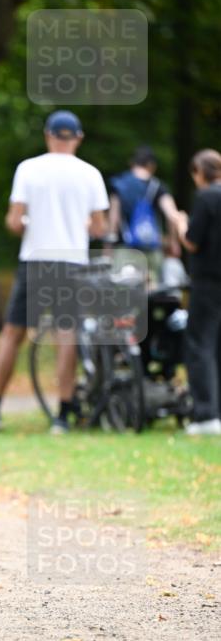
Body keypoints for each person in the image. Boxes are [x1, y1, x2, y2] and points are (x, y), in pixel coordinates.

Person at [0, 110, 109, 435]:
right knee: (67, 335)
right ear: (78, 138)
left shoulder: (28, 169)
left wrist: (29, 226)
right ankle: (62, 415)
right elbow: (99, 226)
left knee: (13, 334)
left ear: (48, 135)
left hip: (35, 260)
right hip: (72, 262)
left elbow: (13, 220)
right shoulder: (90, 173)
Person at [175, 148, 221, 436]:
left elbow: (192, 242)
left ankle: (205, 414)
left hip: (207, 282)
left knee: (200, 345)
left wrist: (180, 224)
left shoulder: (206, 197)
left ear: (199, 173)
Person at [108, 146, 181, 283]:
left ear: (132, 163)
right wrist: (173, 242)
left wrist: (108, 247)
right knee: (154, 295)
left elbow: (114, 218)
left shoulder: (120, 184)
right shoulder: (158, 186)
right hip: (152, 250)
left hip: (125, 249)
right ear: (151, 165)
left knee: (124, 295)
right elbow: (172, 215)